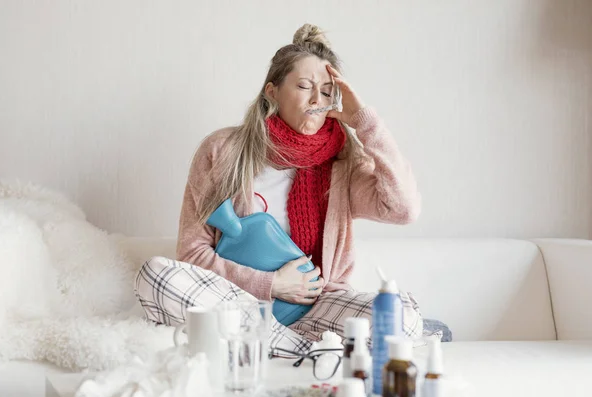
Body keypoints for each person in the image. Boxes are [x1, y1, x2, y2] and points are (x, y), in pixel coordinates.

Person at [135, 24, 446, 353]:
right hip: (236, 305)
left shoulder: (344, 164)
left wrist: (365, 123)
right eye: (304, 86)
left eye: (327, 91)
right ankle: (306, 351)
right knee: (155, 275)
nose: (317, 99)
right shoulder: (222, 151)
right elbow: (192, 255)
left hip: (317, 308)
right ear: (272, 91)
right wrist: (271, 285)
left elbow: (404, 208)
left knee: (401, 318)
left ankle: (265, 348)